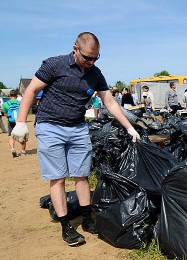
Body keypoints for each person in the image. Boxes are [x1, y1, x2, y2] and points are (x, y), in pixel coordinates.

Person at [11, 32, 141, 246]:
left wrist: (129, 127)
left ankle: (87, 220)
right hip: (50, 126)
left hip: (78, 127)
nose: (91, 62)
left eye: (95, 58)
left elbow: (109, 102)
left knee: (81, 175)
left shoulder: (95, 73)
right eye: (87, 57)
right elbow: (31, 90)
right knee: (58, 177)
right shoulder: (55, 65)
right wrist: (21, 121)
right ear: (75, 49)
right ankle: (66, 226)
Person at [2, 89, 27, 157]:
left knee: (11, 136)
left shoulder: (5, 104)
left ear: (10, 95)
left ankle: (13, 149)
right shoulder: (21, 102)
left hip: (10, 122)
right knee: (22, 136)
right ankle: (23, 151)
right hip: (20, 121)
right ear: (17, 95)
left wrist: (9, 116)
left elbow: (4, 114)